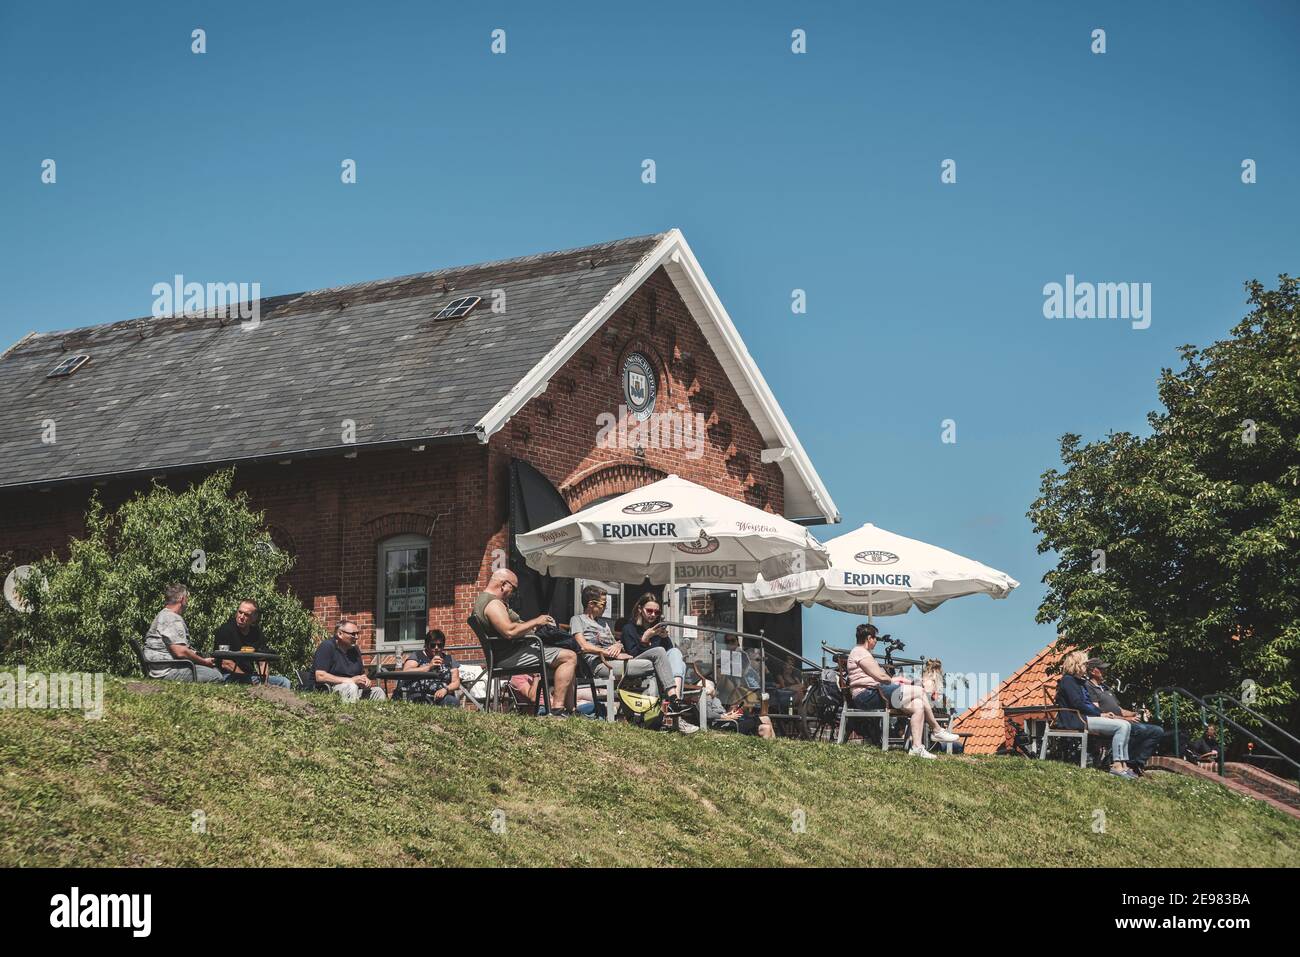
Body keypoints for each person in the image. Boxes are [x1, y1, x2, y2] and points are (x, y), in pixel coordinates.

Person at [845, 623, 960, 759]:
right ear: (869, 638)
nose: (876, 641)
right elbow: (880, 677)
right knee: (920, 692)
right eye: (875, 638)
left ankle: (917, 748)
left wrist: (893, 680)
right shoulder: (860, 652)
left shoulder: (862, 653)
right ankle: (936, 729)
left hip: (876, 692)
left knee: (918, 705)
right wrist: (892, 680)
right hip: (868, 695)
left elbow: (880, 678)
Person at [473, 568, 578, 717]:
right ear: (503, 584)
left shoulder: (487, 601)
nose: (513, 593)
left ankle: (571, 710)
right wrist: (537, 620)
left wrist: (534, 628)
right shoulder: (493, 604)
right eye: (513, 588)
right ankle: (558, 710)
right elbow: (509, 632)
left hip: (514, 651)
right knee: (569, 657)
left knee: (565, 656)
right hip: (511, 656)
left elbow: (512, 629)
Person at [569, 585, 679, 702]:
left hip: (616, 661)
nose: (605, 607)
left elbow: (615, 643)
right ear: (591, 604)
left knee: (660, 652)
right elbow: (582, 645)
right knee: (654, 665)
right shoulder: (577, 619)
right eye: (603, 604)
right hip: (601, 665)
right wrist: (610, 653)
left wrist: (618, 645)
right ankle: (663, 703)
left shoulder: (603, 624)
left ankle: (671, 697)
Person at [1054, 651, 1135, 777]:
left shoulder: (1077, 681)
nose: (1086, 667)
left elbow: (1084, 703)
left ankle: (1124, 764)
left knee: (1126, 724)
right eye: (1084, 664)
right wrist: (1100, 714)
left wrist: (1101, 713)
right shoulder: (1068, 681)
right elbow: (1078, 703)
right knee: (1122, 726)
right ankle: (1117, 765)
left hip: (1084, 717)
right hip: (1076, 719)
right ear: (1077, 664)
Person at [1084, 658, 1164, 774]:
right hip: (1109, 722)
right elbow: (1098, 712)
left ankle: (1136, 763)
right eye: (1101, 669)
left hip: (1122, 720)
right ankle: (1114, 760)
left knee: (1157, 731)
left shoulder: (1106, 688)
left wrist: (1135, 713)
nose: (1105, 671)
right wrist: (1127, 719)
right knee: (1140, 729)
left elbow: (1119, 709)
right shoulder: (1089, 687)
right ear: (1092, 671)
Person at [620, 593, 689, 713]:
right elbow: (633, 654)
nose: (653, 614)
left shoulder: (658, 629)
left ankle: (675, 699)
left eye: (656, 612)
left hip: (659, 666)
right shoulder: (629, 629)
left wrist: (665, 638)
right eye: (649, 610)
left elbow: (670, 654)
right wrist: (645, 640)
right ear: (640, 609)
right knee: (660, 651)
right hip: (638, 664)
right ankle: (674, 700)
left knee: (676, 652)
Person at [142, 584, 224, 683]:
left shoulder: (162, 615)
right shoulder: (172, 618)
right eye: (187, 599)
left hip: (158, 668)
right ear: (182, 598)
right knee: (217, 675)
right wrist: (204, 662)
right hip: (167, 671)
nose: (187, 602)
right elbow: (180, 652)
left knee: (212, 671)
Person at [212, 599, 291, 689]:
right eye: (240, 612)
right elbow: (226, 663)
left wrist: (264, 683)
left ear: (254, 618)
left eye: (246, 615)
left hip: (250, 676)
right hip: (228, 675)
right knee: (251, 680)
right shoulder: (225, 630)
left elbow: (263, 661)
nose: (241, 617)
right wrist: (248, 679)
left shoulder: (256, 633)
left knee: (284, 682)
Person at [312, 620, 386, 702]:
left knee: (378, 691)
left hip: (353, 690)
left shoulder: (355, 650)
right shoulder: (327, 646)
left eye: (358, 633)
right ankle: (350, 714)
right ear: (340, 634)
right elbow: (320, 676)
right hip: (329, 690)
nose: (357, 637)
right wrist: (351, 680)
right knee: (351, 687)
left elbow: (361, 674)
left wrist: (365, 680)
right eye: (353, 634)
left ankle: (377, 714)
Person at [400, 629, 461, 706]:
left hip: (442, 695)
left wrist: (445, 689)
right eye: (432, 645)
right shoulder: (418, 656)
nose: (436, 648)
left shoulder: (449, 659)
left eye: (440, 645)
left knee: (452, 701)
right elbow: (406, 672)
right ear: (426, 645)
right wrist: (429, 666)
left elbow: (456, 682)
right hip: (419, 694)